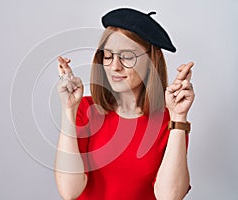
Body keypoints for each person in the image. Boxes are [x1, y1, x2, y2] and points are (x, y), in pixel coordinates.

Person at [54, 8, 195, 200]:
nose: (115, 66)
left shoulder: (169, 121)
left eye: (127, 56)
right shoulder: (86, 110)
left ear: (151, 61)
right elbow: (69, 191)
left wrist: (179, 118)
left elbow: (170, 196)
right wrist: (69, 109)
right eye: (108, 56)